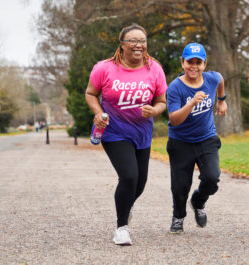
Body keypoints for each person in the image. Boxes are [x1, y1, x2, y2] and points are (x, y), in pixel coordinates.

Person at [85, 24, 167, 245]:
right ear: (121, 45)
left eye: (142, 40)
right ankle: (122, 228)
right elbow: (91, 93)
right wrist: (99, 112)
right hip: (114, 131)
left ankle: (125, 206)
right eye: (132, 41)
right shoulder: (105, 68)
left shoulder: (155, 69)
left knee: (140, 183)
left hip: (142, 132)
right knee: (129, 176)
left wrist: (155, 110)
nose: (138, 45)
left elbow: (161, 101)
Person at [166, 43, 227, 233]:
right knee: (180, 186)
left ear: (204, 64)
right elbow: (174, 120)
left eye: (198, 62)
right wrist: (192, 102)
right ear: (182, 63)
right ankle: (178, 216)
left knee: (212, 177)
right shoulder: (176, 88)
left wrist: (222, 101)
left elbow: (221, 80)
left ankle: (198, 201)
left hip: (206, 138)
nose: (194, 66)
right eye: (189, 62)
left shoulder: (211, 78)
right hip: (180, 141)